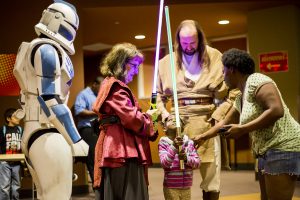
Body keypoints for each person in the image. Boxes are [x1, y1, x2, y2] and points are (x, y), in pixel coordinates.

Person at [193, 48, 300, 200]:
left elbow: (277, 110)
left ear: (232, 70)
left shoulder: (257, 80)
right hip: (266, 150)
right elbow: (224, 122)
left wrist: (242, 129)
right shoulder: (240, 96)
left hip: (283, 147)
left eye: (223, 71)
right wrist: (202, 137)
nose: (223, 77)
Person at [13, 1, 88, 199]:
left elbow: (27, 98)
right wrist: (76, 139)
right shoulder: (48, 50)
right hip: (48, 133)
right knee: (56, 195)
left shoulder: (31, 48)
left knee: (46, 195)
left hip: (33, 131)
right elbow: (50, 100)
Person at [156, 19, 233, 200]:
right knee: (177, 176)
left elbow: (233, 90)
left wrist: (219, 115)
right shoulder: (165, 62)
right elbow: (158, 97)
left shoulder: (215, 57)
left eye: (192, 42)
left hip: (207, 122)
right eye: (184, 43)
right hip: (178, 124)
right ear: (177, 41)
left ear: (200, 38)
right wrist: (166, 115)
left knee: (211, 178)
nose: (188, 47)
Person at [92, 42, 159, 200]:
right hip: (120, 148)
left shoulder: (113, 85)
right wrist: (148, 118)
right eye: (134, 65)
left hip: (120, 146)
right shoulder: (114, 87)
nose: (136, 71)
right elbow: (131, 118)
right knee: (127, 192)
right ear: (121, 63)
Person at [158, 118, 200, 200]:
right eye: (170, 119)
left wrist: (186, 159)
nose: (174, 120)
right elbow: (164, 164)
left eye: (177, 119)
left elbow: (197, 163)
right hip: (171, 187)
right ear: (164, 127)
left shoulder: (189, 143)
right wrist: (173, 147)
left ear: (183, 126)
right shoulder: (163, 143)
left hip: (186, 186)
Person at [74, 76, 104, 186]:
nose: (102, 90)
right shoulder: (83, 94)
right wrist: (97, 112)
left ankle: (102, 184)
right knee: (93, 156)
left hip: (98, 128)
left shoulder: (99, 96)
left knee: (101, 156)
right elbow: (79, 111)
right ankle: (97, 186)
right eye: (100, 87)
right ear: (94, 84)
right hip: (87, 128)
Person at [0, 108, 23, 200]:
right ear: (8, 119)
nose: (18, 118)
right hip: (5, 162)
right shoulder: (3, 129)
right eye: (15, 116)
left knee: (16, 186)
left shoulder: (20, 130)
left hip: (17, 163)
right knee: (4, 187)